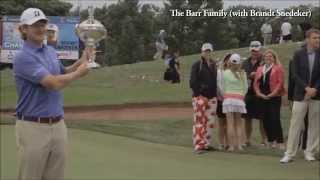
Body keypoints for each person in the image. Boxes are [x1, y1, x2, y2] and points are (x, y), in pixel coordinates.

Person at [14, 8, 92, 179]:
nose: (41, 28)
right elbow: (53, 83)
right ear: (24, 29)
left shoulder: (49, 51)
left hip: (58, 125)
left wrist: (81, 61)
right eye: (35, 25)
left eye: (43, 24)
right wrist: (79, 73)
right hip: (33, 126)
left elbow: (62, 73)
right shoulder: (22, 57)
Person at [280, 28, 320, 163]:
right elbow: (294, 75)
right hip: (300, 94)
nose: (317, 40)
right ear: (307, 39)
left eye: (318, 38)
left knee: (315, 124)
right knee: (295, 124)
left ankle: (310, 152)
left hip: (316, 94)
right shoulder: (298, 54)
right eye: (315, 38)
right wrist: (306, 88)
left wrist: (314, 89)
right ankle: (289, 153)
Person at [253, 49, 285, 149]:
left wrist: (272, 94)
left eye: (271, 56)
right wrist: (259, 93)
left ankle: (280, 141)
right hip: (262, 97)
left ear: (274, 58)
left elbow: (280, 83)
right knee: (265, 119)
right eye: (267, 56)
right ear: (264, 58)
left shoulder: (278, 68)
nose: (268, 58)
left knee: (274, 119)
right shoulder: (259, 69)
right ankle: (271, 141)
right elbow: (256, 83)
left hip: (274, 96)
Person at [190, 42, 217, 154]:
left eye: (209, 51)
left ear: (211, 52)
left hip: (212, 97)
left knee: (210, 122)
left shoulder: (213, 64)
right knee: (199, 121)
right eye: (205, 51)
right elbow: (193, 82)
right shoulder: (197, 65)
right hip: (200, 97)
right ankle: (198, 145)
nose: (207, 53)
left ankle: (206, 144)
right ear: (202, 52)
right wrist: (200, 94)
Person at [242, 41, 267, 147]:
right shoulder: (245, 62)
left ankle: (264, 140)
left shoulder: (264, 62)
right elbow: (241, 74)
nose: (254, 52)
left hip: (260, 93)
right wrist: (249, 75)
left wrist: (256, 74)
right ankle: (247, 139)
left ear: (260, 50)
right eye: (253, 50)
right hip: (248, 93)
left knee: (262, 118)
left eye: (256, 51)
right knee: (247, 118)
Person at [221, 53, 248, 152]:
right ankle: (239, 145)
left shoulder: (225, 73)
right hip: (239, 100)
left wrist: (226, 95)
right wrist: (241, 96)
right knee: (239, 123)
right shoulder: (243, 73)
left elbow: (222, 87)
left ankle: (232, 146)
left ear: (230, 62)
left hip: (228, 99)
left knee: (230, 123)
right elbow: (245, 88)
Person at [216, 53, 231, 150]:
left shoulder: (235, 72)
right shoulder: (219, 72)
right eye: (228, 60)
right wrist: (224, 96)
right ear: (225, 60)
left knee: (229, 123)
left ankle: (228, 143)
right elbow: (219, 86)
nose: (229, 62)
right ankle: (221, 143)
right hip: (221, 100)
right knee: (221, 123)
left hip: (231, 101)